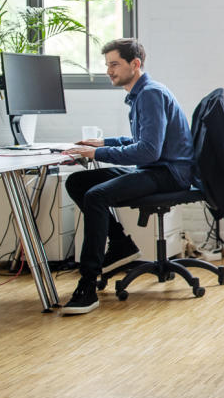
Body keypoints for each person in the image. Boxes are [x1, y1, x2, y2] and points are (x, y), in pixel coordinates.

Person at [61, 38, 194, 315]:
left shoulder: (149, 94)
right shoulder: (141, 93)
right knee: (78, 182)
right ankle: (121, 244)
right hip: (156, 168)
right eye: (107, 64)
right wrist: (102, 143)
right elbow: (142, 141)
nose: (109, 71)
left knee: (96, 196)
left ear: (135, 64)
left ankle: (87, 283)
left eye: (114, 64)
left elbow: (147, 151)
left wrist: (98, 155)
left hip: (167, 173)